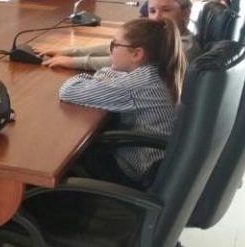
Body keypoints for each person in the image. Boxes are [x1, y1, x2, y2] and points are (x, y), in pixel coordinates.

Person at [58, 18, 185, 186]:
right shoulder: (159, 70)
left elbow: (69, 90)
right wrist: (107, 75)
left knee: (63, 153)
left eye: (114, 45)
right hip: (157, 161)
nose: (111, 52)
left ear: (137, 54)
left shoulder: (139, 83)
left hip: (134, 170)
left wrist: (102, 74)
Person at [37, 0, 199, 70]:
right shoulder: (163, 36)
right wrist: (68, 52)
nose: (156, 17)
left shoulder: (179, 47)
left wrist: (73, 62)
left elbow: (122, 61)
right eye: (152, 10)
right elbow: (119, 48)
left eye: (166, 10)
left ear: (186, 13)